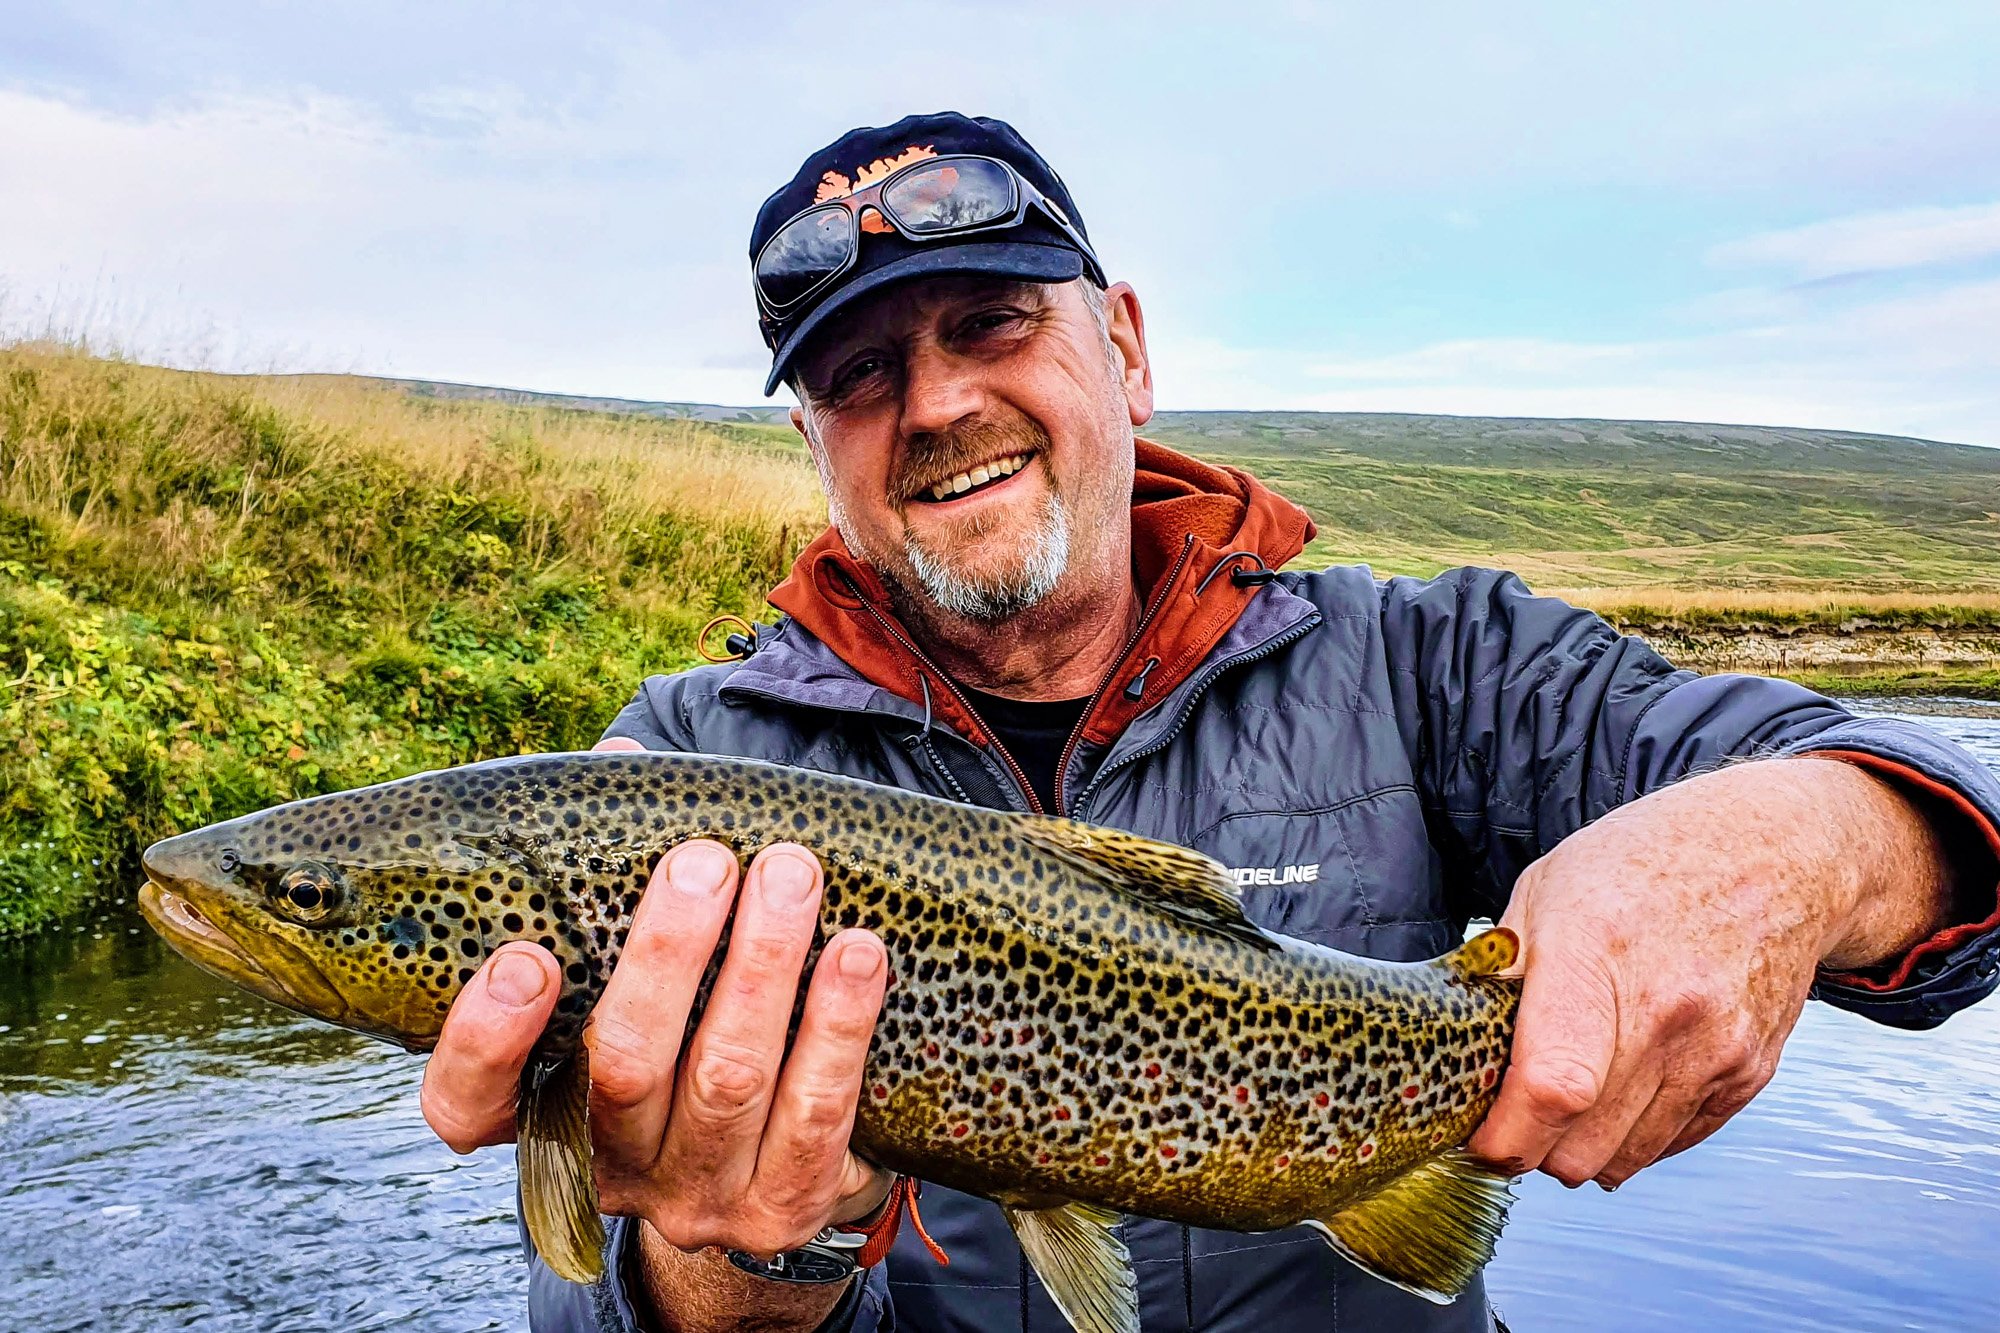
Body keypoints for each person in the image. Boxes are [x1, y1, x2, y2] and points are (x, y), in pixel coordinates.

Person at [418, 113, 2000, 1333]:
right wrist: (757, 1254)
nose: (937, 404)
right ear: (815, 440)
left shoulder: (1426, 662)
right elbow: (605, 1300)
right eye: (860, 372)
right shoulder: (686, 780)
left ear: (1126, 347)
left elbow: (1939, 806)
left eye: (990, 325)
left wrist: (1795, 847)